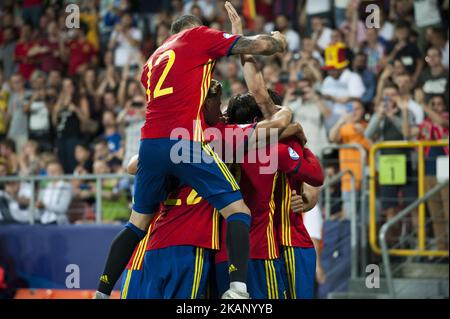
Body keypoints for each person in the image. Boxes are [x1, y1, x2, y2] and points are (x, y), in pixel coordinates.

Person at [95, 2, 290, 300]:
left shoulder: (152, 61)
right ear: (193, 28)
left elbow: (131, 164)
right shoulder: (197, 37)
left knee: (136, 224)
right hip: (184, 140)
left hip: (149, 144)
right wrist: (277, 40)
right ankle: (237, 290)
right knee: (238, 211)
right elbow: (260, 46)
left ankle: (101, 292)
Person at [416, 94, 449, 251]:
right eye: (433, 104)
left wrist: (423, 104)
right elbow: (409, 134)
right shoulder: (425, 124)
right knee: (436, 214)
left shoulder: (446, 118)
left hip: (446, 169)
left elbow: (442, 122)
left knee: (448, 210)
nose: (436, 107)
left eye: (439, 104)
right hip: (429, 169)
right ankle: (441, 249)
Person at [36, 161, 73, 225]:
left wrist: (45, 206)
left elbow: (63, 208)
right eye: (49, 171)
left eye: (54, 171)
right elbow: (39, 206)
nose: (52, 173)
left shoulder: (66, 186)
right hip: (42, 221)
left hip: (58, 222)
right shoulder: (44, 187)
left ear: (61, 172)